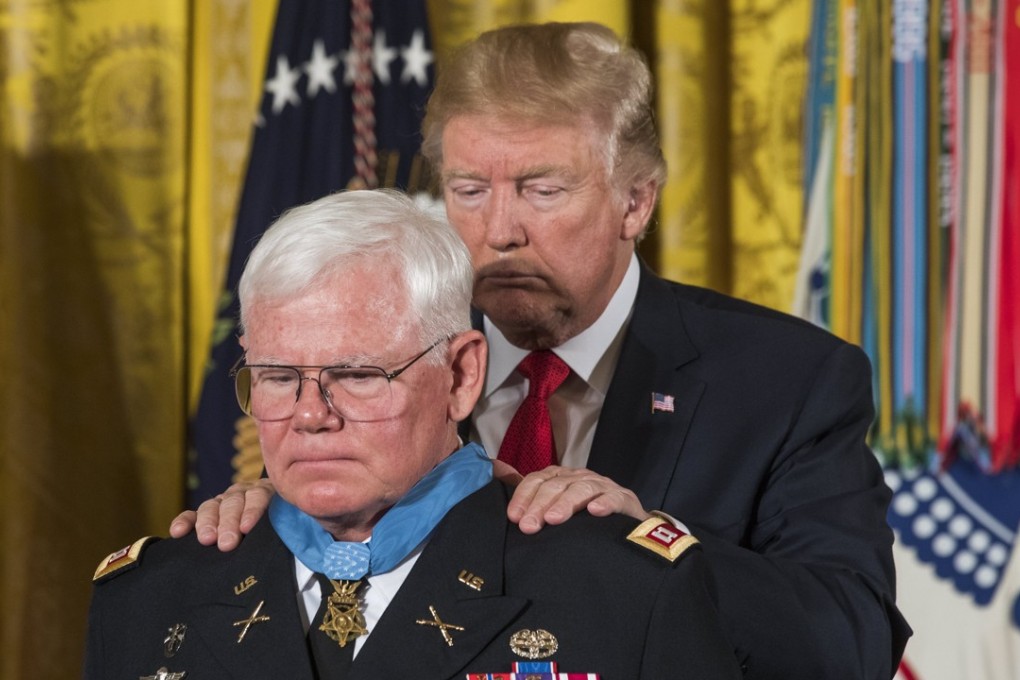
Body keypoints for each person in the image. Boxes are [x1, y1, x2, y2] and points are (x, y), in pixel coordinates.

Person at [173, 22, 911, 679]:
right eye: (468, 189)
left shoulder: (787, 378)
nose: (499, 231)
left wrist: (651, 547)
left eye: (542, 190)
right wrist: (288, 527)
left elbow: (853, 644)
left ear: (636, 201)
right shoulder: (382, 361)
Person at [85, 189, 742, 679]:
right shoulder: (146, 597)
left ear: (460, 375)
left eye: (359, 375)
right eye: (278, 377)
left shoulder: (623, 590)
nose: (311, 415)